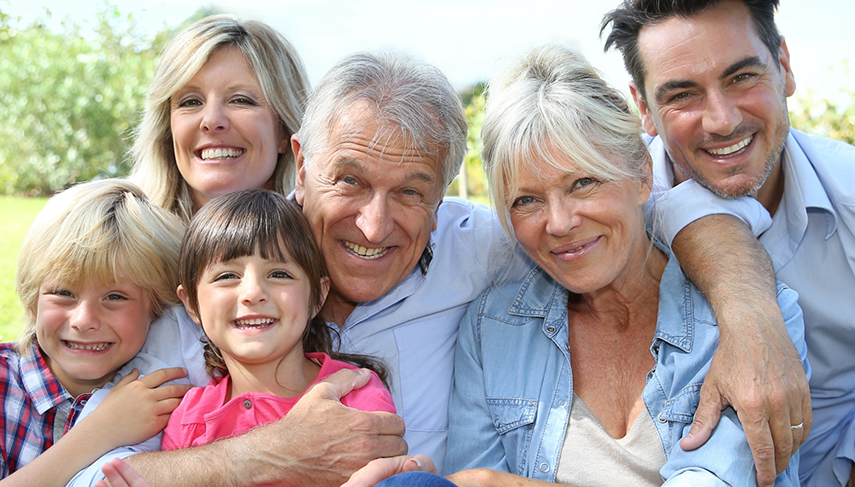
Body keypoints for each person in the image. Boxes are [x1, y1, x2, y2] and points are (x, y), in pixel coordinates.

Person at [68, 50, 804, 487]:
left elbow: (648, 212)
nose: (374, 224)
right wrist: (270, 452)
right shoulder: (222, 289)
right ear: (300, 162)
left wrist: (747, 304)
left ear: (446, 192)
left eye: (410, 193)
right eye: (349, 181)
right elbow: (89, 479)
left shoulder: (487, 251)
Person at [440, 44, 806, 487]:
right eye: (527, 200)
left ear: (642, 176)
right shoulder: (492, 328)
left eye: (583, 182)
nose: (558, 223)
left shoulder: (754, 322)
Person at [602, 1, 855, 484]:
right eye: (682, 95)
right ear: (643, 109)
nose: (722, 121)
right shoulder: (605, 212)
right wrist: (751, 315)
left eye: (742, 77)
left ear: (784, 67)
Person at [0, 179, 192, 487]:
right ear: (33, 297)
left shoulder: (170, 391)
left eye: (114, 297)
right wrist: (100, 432)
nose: (84, 320)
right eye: (63, 293)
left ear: (156, 306)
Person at [161, 189, 394, 451]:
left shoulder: (355, 393)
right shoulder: (188, 420)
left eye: (279, 274)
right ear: (192, 303)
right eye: (227, 276)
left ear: (317, 297)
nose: (253, 293)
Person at [128, 14, 311, 219]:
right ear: (167, 129)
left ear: (284, 132)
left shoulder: (327, 246)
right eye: (191, 102)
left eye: (240, 100)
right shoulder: (110, 244)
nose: (212, 121)